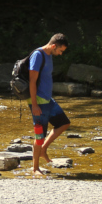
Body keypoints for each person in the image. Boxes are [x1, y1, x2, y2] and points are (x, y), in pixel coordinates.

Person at [29, 33, 71, 176]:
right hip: (39, 101)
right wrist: (34, 105)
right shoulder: (38, 55)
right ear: (53, 46)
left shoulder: (49, 55)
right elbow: (32, 82)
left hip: (47, 99)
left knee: (64, 123)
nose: (60, 54)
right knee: (39, 135)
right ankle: (35, 169)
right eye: (60, 51)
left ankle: (43, 150)